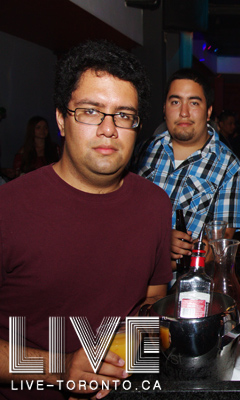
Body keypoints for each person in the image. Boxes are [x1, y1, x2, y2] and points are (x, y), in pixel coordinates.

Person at [0, 40, 172, 400]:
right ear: (61, 119)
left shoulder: (155, 204)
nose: (109, 129)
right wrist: (61, 368)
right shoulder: (9, 209)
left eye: (123, 115)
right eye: (91, 111)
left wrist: (129, 361)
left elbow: (154, 298)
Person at [135, 69, 240, 266]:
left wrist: (164, 258)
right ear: (164, 108)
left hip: (180, 281)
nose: (184, 112)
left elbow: (218, 245)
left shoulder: (229, 167)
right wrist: (157, 239)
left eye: (194, 103)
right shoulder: (144, 150)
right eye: (175, 102)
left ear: (208, 112)